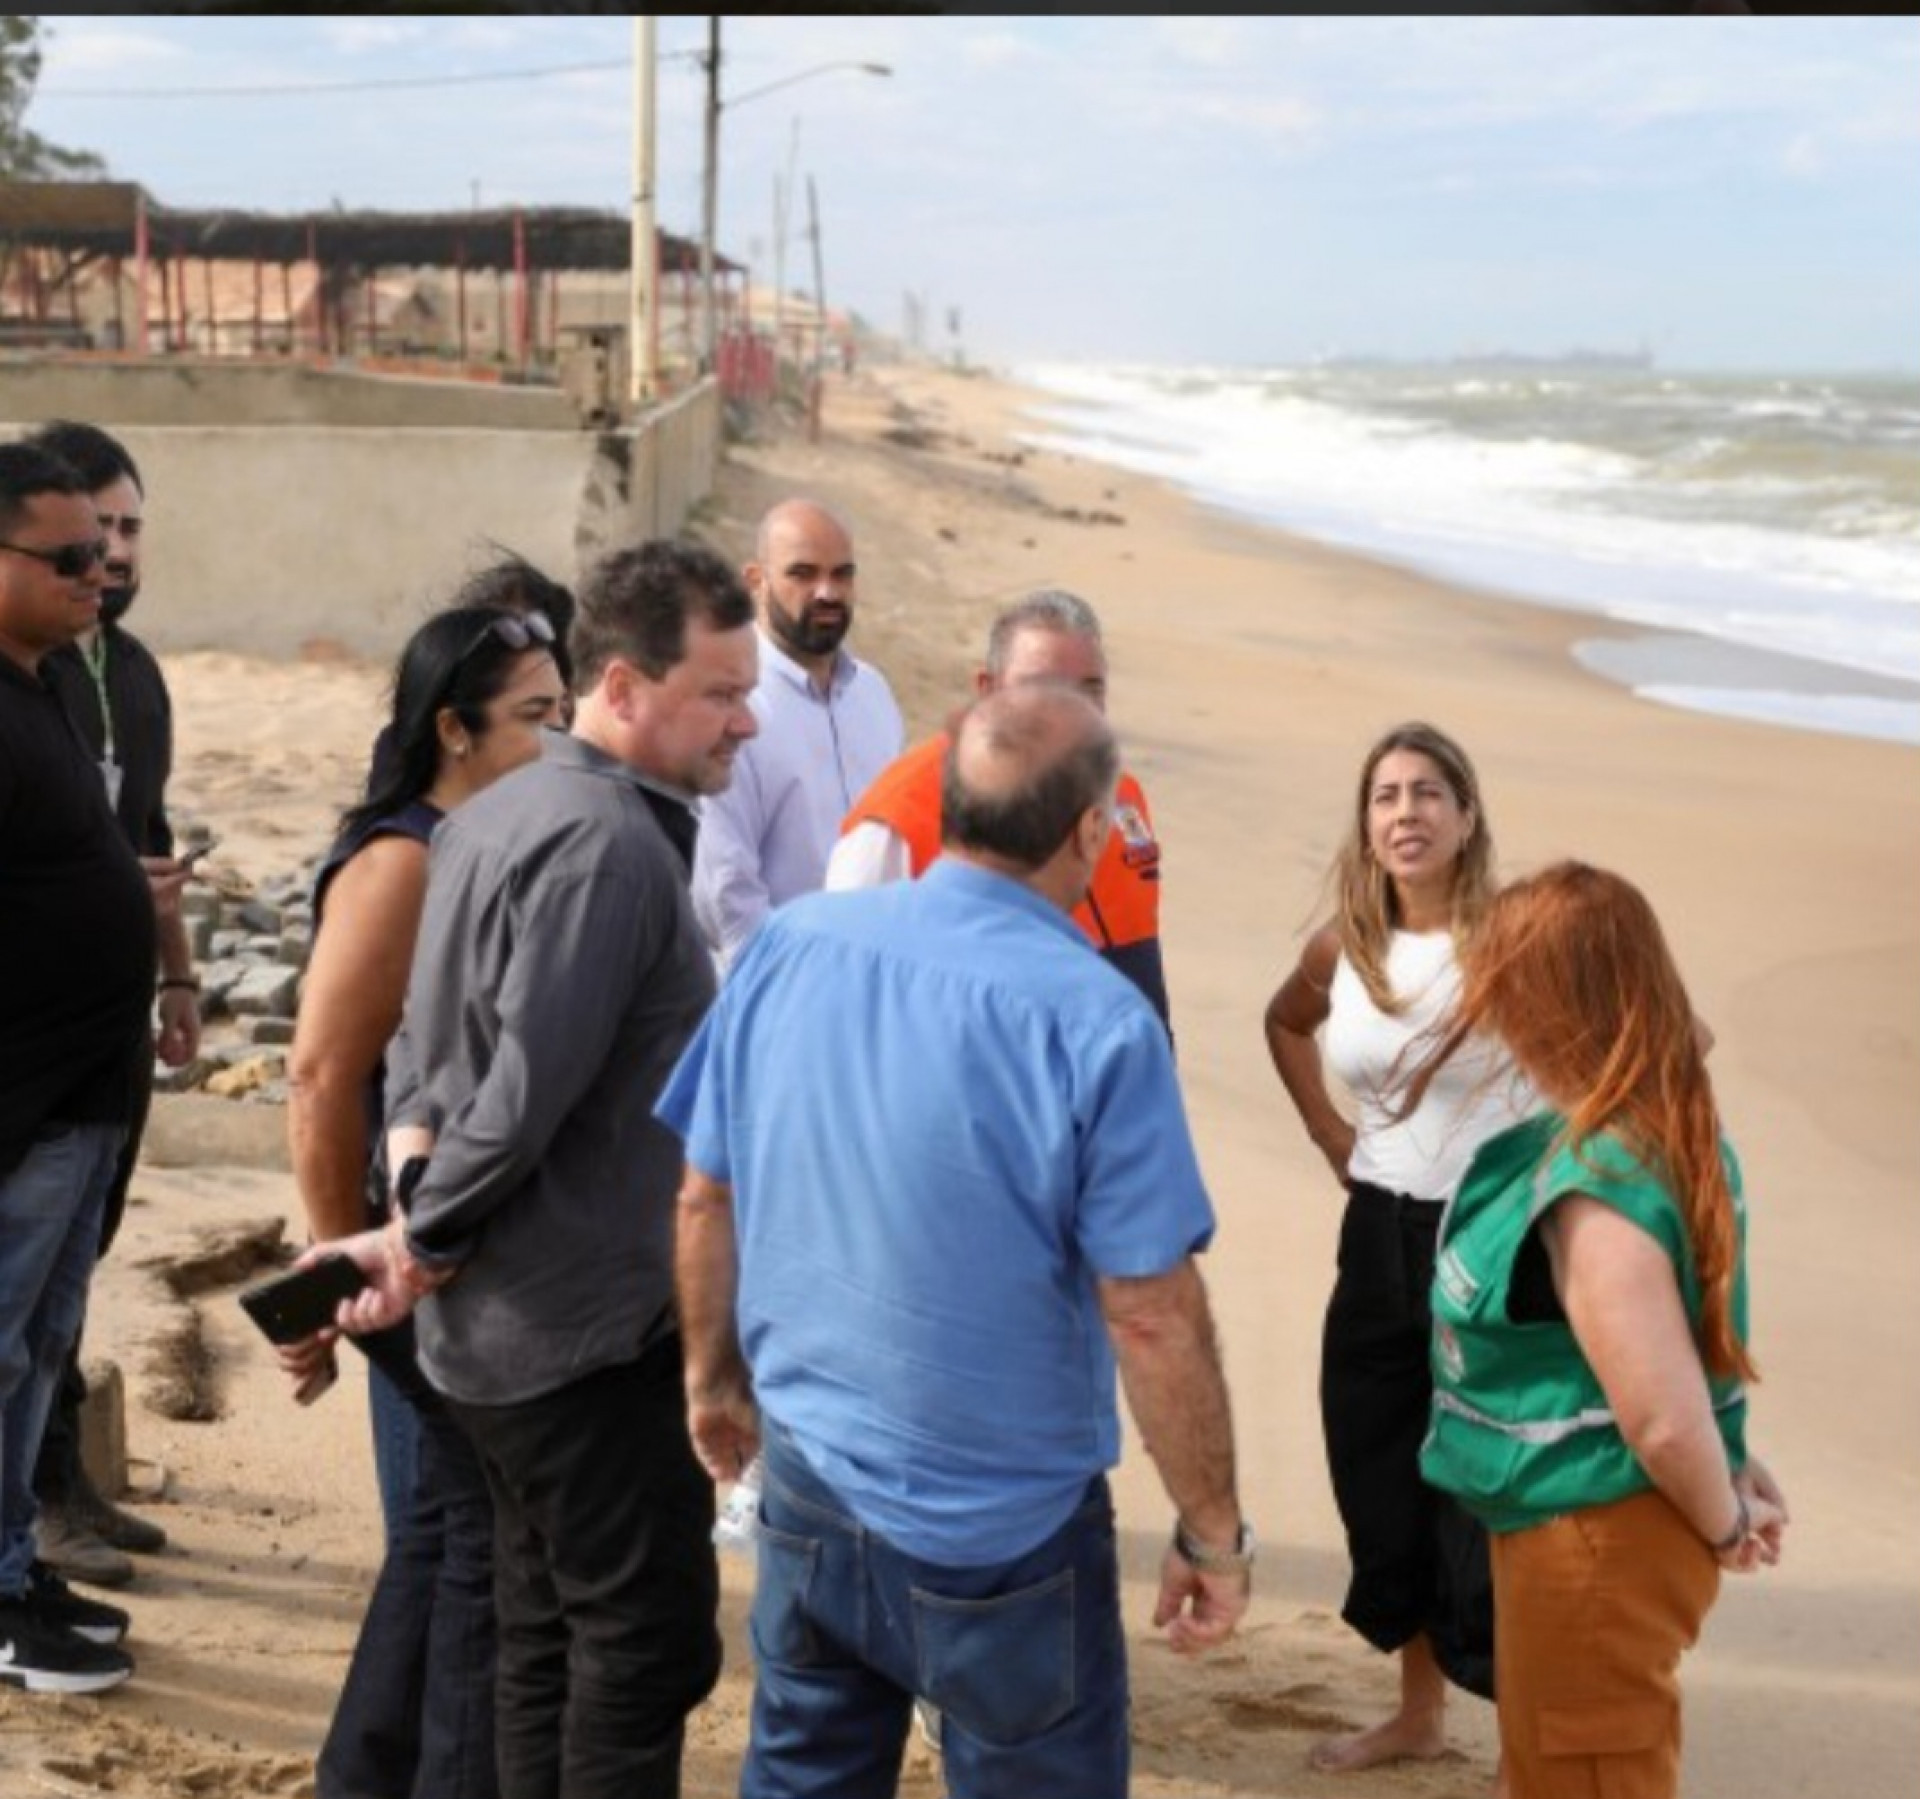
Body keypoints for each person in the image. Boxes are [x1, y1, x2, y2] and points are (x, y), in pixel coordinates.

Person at [661, 684, 1252, 1799]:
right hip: (1004, 1528)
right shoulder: (1098, 1019)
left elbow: (704, 1193)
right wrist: (1212, 1529)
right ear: (1088, 831)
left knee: (802, 1774)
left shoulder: (792, 944)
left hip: (814, 1475)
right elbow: (1151, 1307)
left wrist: (710, 1378)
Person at [320, 538, 758, 1799]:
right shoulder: (607, 844)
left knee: (544, 1632)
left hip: (507, 1331)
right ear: (621, 686)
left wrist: (411, 1179)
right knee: (640, 1643)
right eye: (721, 692)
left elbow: (423, 1045)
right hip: (571, 1334)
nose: (747, 719)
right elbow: (519, 1092)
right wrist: (424, 1237)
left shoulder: (499, 805)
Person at [1416, 861, 1788, 1799]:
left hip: (1594, 1537)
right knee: (1547, 1760)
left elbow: (1659, 1418)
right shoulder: (1664, 1122)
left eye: (1506, 993)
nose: (1493, 1018)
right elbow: (1678, 1355)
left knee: (1584, 1769)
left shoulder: (1599, 1192)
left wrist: (1726, 1518)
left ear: (1552, 1007)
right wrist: (1731, 1459)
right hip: (1586, 1521)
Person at [284, 597, 566, 1799]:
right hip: (395, 1242)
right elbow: (318, 1073)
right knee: (473, 1539)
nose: (557, 741)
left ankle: (372, 1771)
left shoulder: (487, 840)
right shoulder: (405, 856)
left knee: (451, 1530)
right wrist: (326, 1272)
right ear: (454, 727)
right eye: (535, 717)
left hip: (443, 1237)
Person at [1263, 722, 1532, 1777]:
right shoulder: (1347, 947)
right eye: (1386, 795)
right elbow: (1285, 1024)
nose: (1406, 812)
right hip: (1374, 1232)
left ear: (1467, 816)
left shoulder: (1521, 936)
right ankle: (1420, 1712)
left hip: (1492, 1246)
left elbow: (1664, 1035)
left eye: (1429, 792)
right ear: (1367, 824)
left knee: (1492, 1495)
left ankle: (1526, 1736)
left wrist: (1562, 1174)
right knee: (1380, 1470)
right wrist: (1333, 1135)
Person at [0, 442, 182, 1694]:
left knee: (40, 1343)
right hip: (22, 1099)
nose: (99, 570)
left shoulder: (58, 682)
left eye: (108, 547)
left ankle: (12, 1563)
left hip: (87, 1094)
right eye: (69, 554)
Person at [827, 587, 1170, 1033]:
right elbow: (842, 996)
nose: (1071, 712)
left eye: (1091, 688)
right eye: (1042, 689)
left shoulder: (1122, 798)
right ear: (986, 691)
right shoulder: (900, 817)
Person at [691, 498, 902, 972]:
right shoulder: (733, 706)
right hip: (777, 993)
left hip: (874, 984)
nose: (827, 591)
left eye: (842, 574)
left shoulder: (874, 694)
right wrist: (794, 992)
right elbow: (727, 895)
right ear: (755, 581)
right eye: (803, 574)